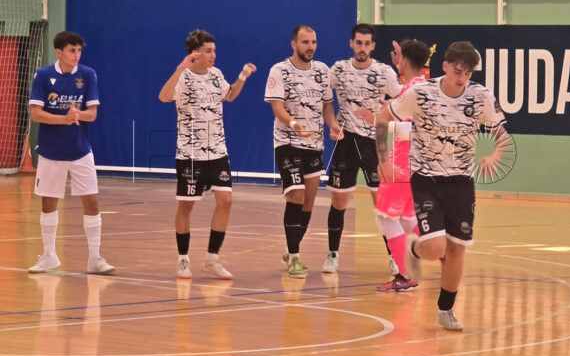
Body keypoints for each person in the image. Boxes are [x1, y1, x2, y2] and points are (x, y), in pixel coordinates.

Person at [375, 41, 508, 330]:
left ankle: (446, 309)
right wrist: (382, 159)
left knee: (457, 249)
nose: (462, 78)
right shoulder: (421, 93)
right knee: (436, 248)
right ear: (445, 66)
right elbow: (382, 118)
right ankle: (415, 249)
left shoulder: (481, 96)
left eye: (468, 73)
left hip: (461, 182)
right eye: (457, 71)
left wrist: (495, 153)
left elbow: (501, 133)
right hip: (427, 178)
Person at [158, 29, 256, 279]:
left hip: (218, 151)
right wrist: (180, 68)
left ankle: (212, 258)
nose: (213, 55)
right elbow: (164, 97)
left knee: (226, 201)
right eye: (208, 51)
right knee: (186, 206)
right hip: (190, 154)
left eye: (214, 51)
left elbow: (229, 95)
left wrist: (243, 77)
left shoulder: (216, 75)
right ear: (195, 53)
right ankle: (183, 259)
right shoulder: (183, 77)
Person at [28, 31, 114, 274]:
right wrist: (63, 119)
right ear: (59, 52)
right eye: (71, 50)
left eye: (79, 50)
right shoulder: (44, 75)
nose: (76, 55)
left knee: (92, 201)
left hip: (80, 150)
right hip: (51, 151)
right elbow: (36, 114)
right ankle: (49, 256)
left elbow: (92, 114)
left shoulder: (88, 75)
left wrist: (78, 114)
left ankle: (95, 258)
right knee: (48, 203)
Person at [323, 23, 403, 274]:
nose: (362, 48)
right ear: (351, 43)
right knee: (339, 201)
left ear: (373, 46)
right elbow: (325, 99)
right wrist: (332, 123)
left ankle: (395, 256)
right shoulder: (338, 69)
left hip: (375, 141)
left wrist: (380, 114)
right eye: (358, 43)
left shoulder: (384, 71)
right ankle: (333, 255)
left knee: (382, 203)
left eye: (367, 44)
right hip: (346, 140)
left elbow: (401, 100)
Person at [264, 24, 342, 279]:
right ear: (294, 44)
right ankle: (295, 257)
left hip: (314, 145)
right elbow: (277, 107)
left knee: (308, 202)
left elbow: (327, 106)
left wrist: (332, 124)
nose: (310, 47)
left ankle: (290, 248)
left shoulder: (322, 71)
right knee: (295, 195)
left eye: (313, 42)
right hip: (287, 143)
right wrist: (294, 124)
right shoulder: (280, 70)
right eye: (305, 42)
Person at [374, 40, 429, 292]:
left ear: (404, 59)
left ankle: (407, 274)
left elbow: (408, 128)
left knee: (386, 219)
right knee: (407, 219)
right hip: (417, 167)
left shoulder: (411, 91)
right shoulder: (423, 86)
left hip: (400, 166)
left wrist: (383, 158)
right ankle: (417, 266)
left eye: (399, 56)